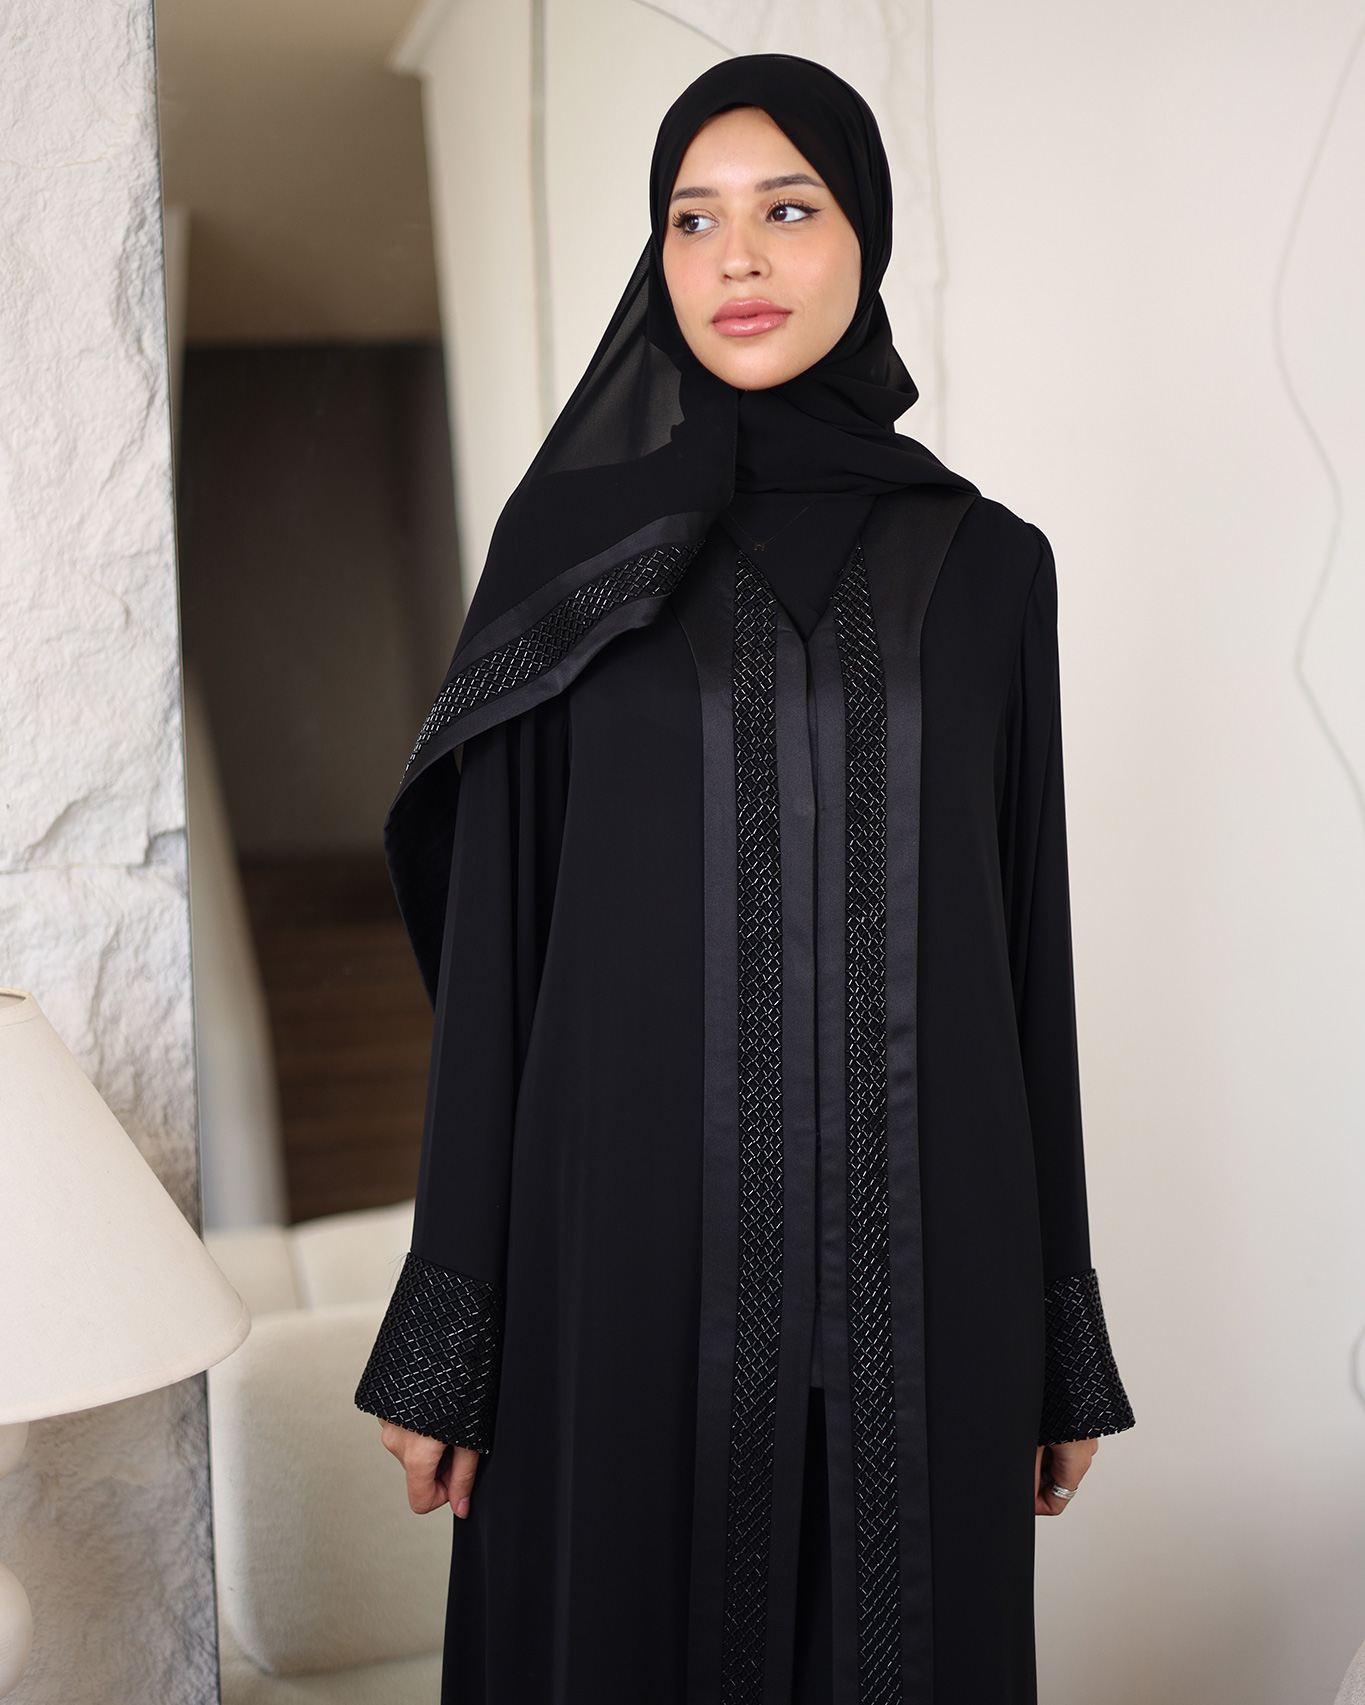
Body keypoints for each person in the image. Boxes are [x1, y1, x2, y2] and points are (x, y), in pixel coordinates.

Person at [356, 53, 1133, 1705]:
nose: (736, 259)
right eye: (692, 220)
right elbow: (498, 957)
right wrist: (450, 1320)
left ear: (865, 238)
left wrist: (1057, 1318)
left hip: (934, 1267)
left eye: (787, 209)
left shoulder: (991, 569)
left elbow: (1026, 947)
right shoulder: (573, 564)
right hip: (613, 1261)